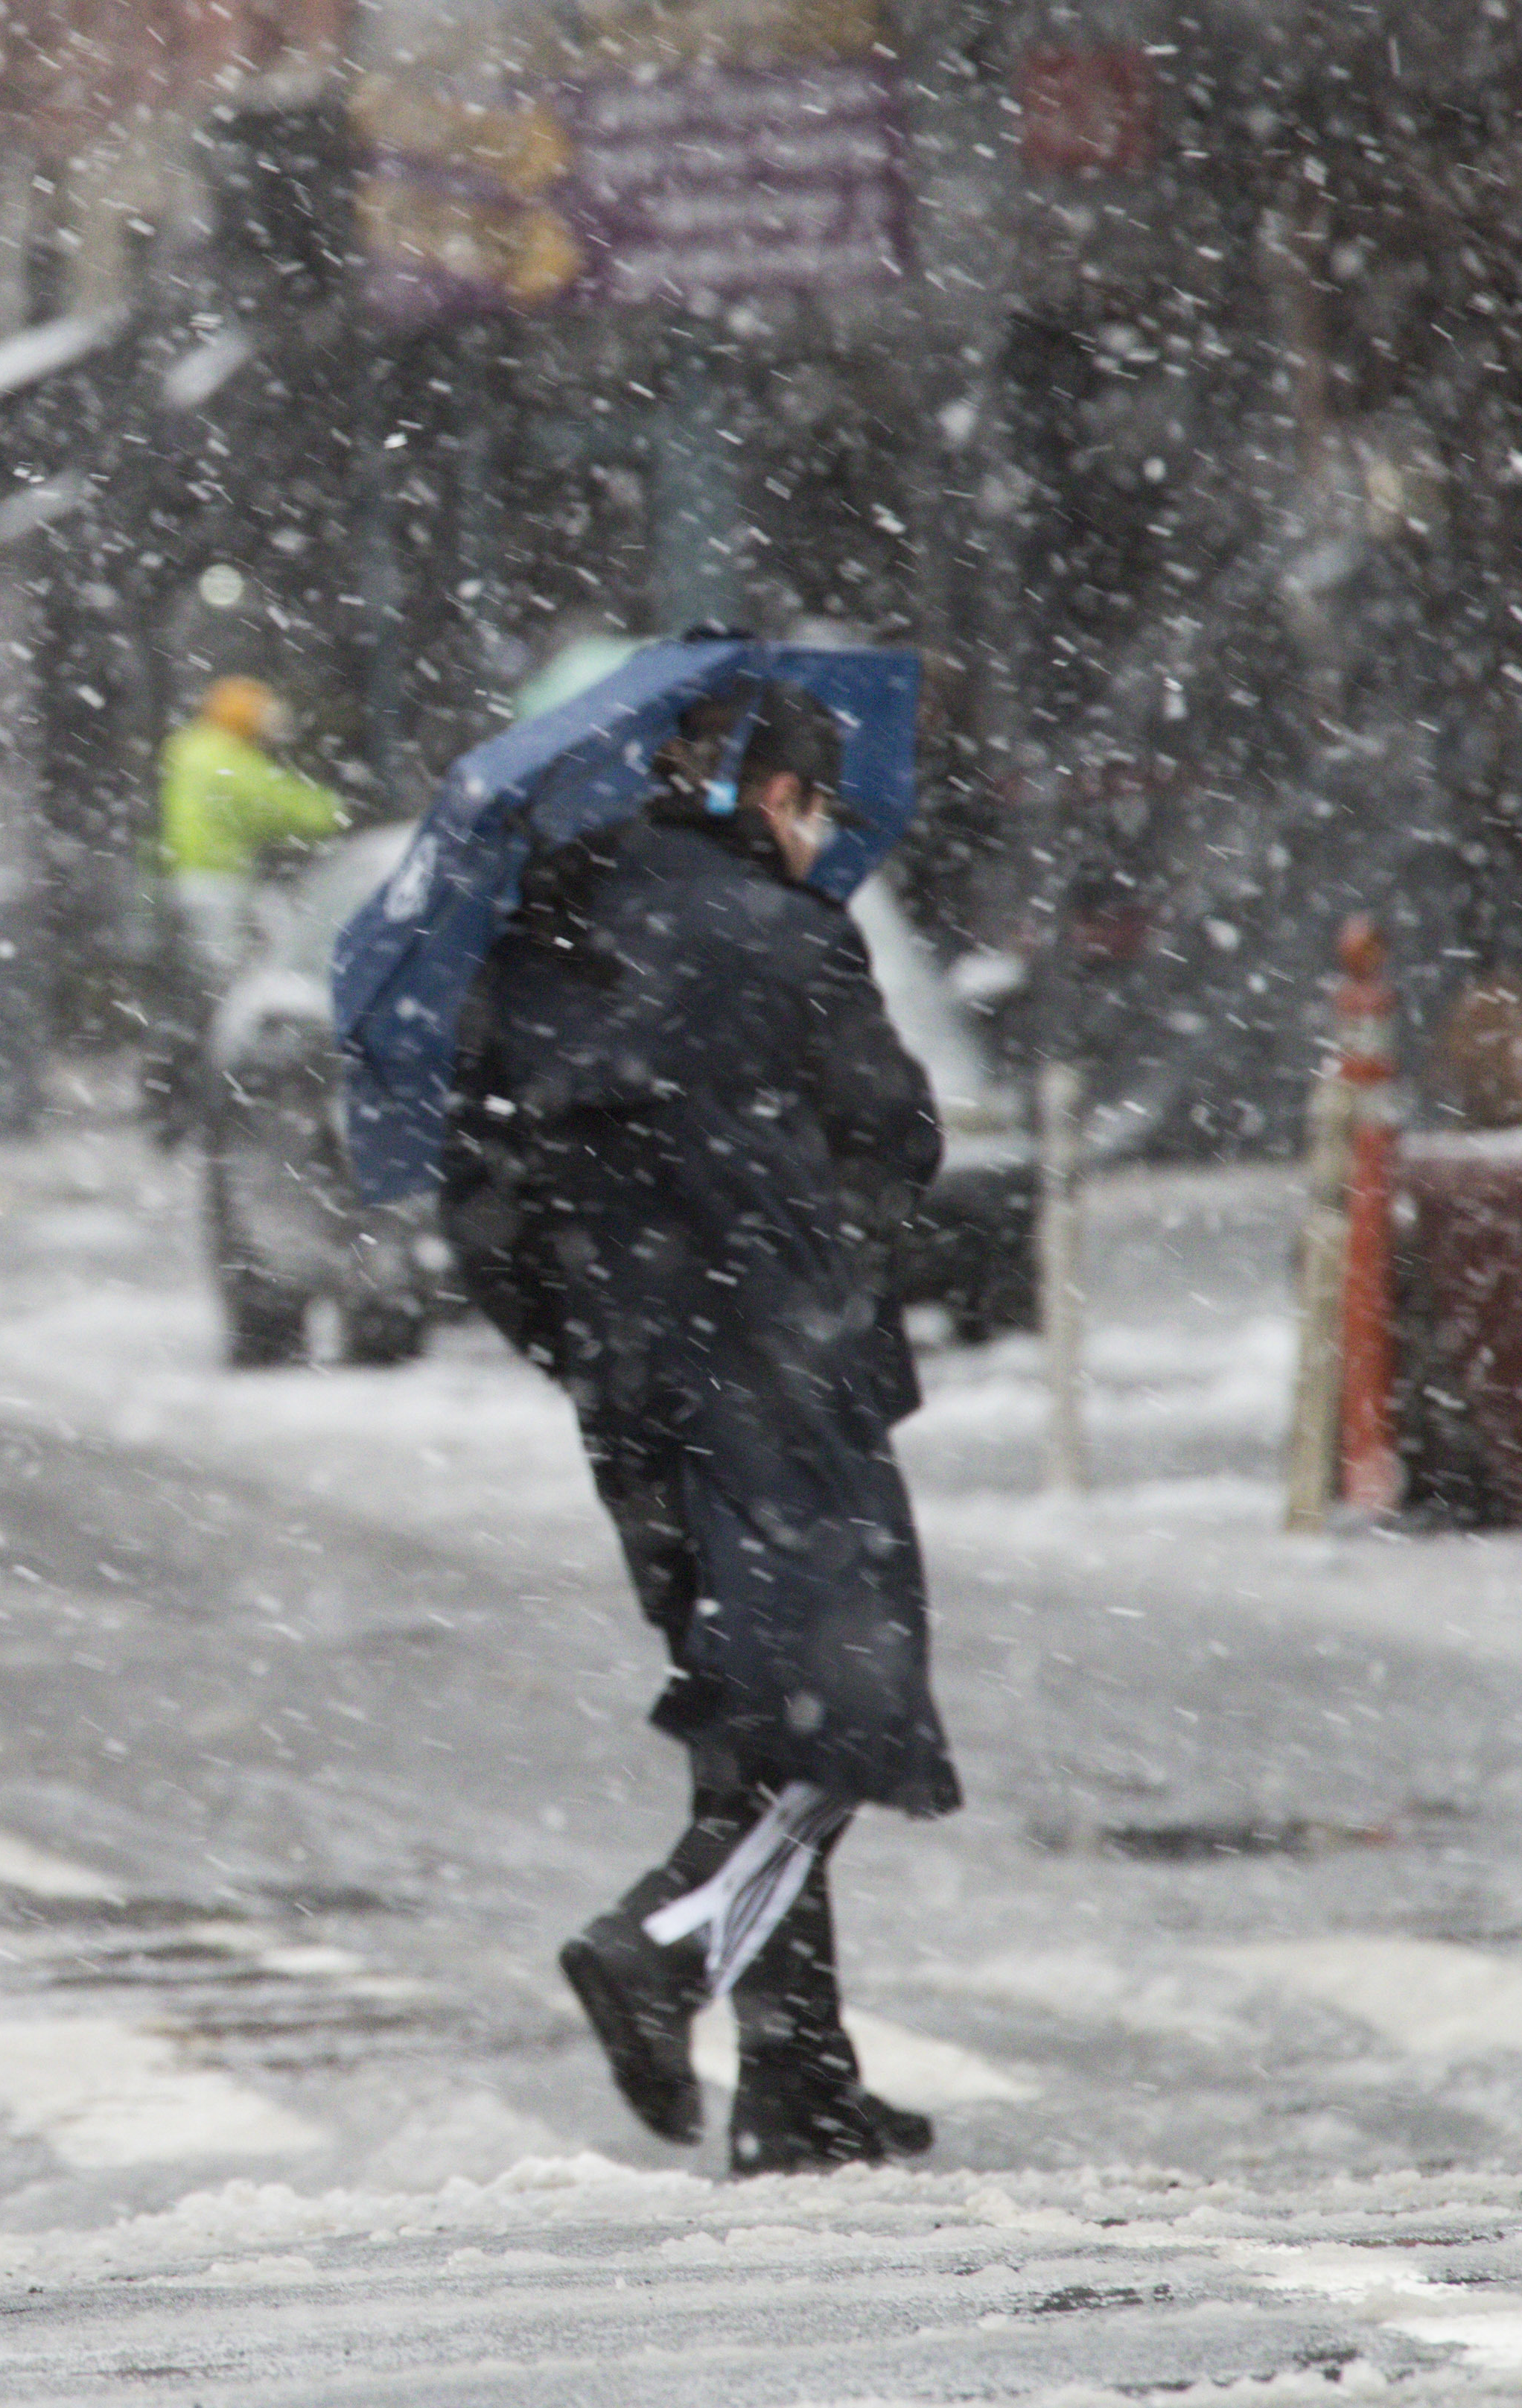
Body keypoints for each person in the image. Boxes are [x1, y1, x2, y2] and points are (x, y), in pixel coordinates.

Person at [440, 678, 961, 2176]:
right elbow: (899, 1135)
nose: (817, 837)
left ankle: (798, 2079)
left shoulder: (537, 936)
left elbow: (476, 1203)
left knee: (749, 1703)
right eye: (817, 807)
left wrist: (589, 1340)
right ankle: (658, 1944)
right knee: (842, 1710)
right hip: (779, 1370)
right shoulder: (789, 939)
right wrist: (822, 1267)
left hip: (633, 1385)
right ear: (773, 796)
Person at [153, 673, 348, 985]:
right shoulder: (226, 758)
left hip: (194, 875)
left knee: (219, 964)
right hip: (219, 880)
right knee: (234, 969)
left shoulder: (193, 749)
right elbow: (272, 801)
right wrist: (332, 811)